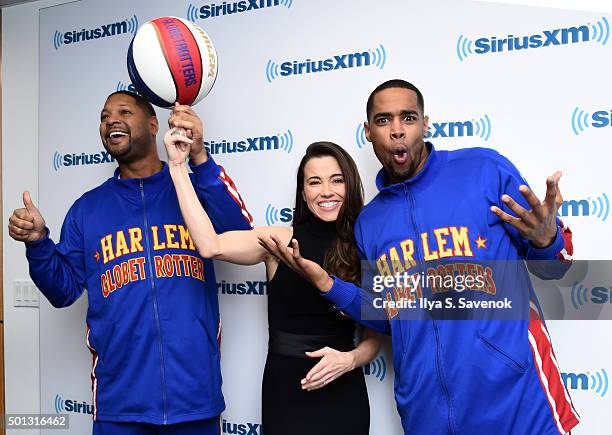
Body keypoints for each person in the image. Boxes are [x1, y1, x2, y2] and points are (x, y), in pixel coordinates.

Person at [260, 80, 580, 435]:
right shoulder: (371, 222)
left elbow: (556, 268)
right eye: (383, 121)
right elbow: (383, 315)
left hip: (517, 405)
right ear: (368, 132)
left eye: (407, 118)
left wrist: (547, 240)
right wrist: (326, 284)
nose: (397, 130)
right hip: (427, 414)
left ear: (425, 124)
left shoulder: (483, 170)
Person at [8, 91, 253, 435]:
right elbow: (62, 291)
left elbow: (241, 235)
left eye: (124, 111)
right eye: (104, 116)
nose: (111, 120)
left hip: (195, 398)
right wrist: (37, 244)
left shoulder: (191, 188)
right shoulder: (87, 209)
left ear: (153, 124)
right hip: (120, 406)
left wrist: (199, 157)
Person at [164, 131, 381, 435]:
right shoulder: (281, 240)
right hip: (286, 390)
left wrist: (349, 360)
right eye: (314, 182)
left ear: (351, 185)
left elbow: (377, 334)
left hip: (342, 389)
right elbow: (210, 245)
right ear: (303, 192)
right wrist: (177, 167)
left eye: (337, 180)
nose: (326, 191)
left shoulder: (368, 244)